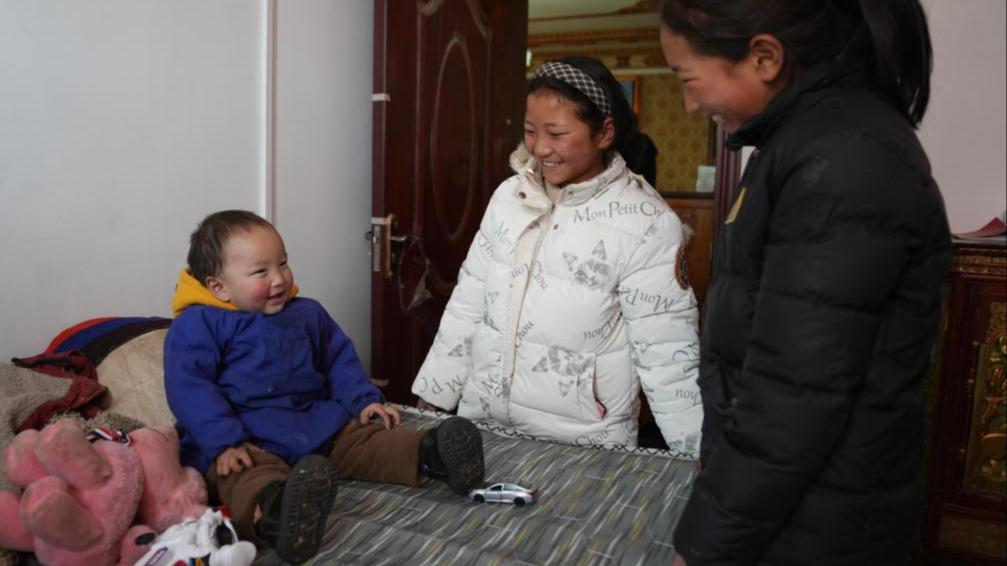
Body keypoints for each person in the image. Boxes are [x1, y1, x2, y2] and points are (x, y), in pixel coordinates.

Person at [657, 1, 951, 564]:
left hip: (821, 520)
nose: (690, 104)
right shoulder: (803, 141)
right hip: (797, 499)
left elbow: (792, 398)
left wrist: (706, 543)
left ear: (765, 57)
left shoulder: (842, 159)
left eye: (689, 80)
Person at [411, 55, 702, 457]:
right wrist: (435, 394)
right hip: (484, 422)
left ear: (605, 133)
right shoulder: (508, 198)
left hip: (583, 440)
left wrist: (695, 451)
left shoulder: (647, 223)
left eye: (557, 133)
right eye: (531, 131)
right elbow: (468, 304)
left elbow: (667, 353)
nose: (540, 148)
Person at [164, 210, 485, 564]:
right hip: (246, 438)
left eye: (283, 264)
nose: (279, 279)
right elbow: (189, 387)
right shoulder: (199, 324)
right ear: (218, 287)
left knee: (363, 438)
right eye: (261, 271)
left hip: (312, 422)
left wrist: (363, 400)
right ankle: (277, 514)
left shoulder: (306, 313)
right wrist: (224, 441)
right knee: (243, 477)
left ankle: (432, 454)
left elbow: (337, 360)